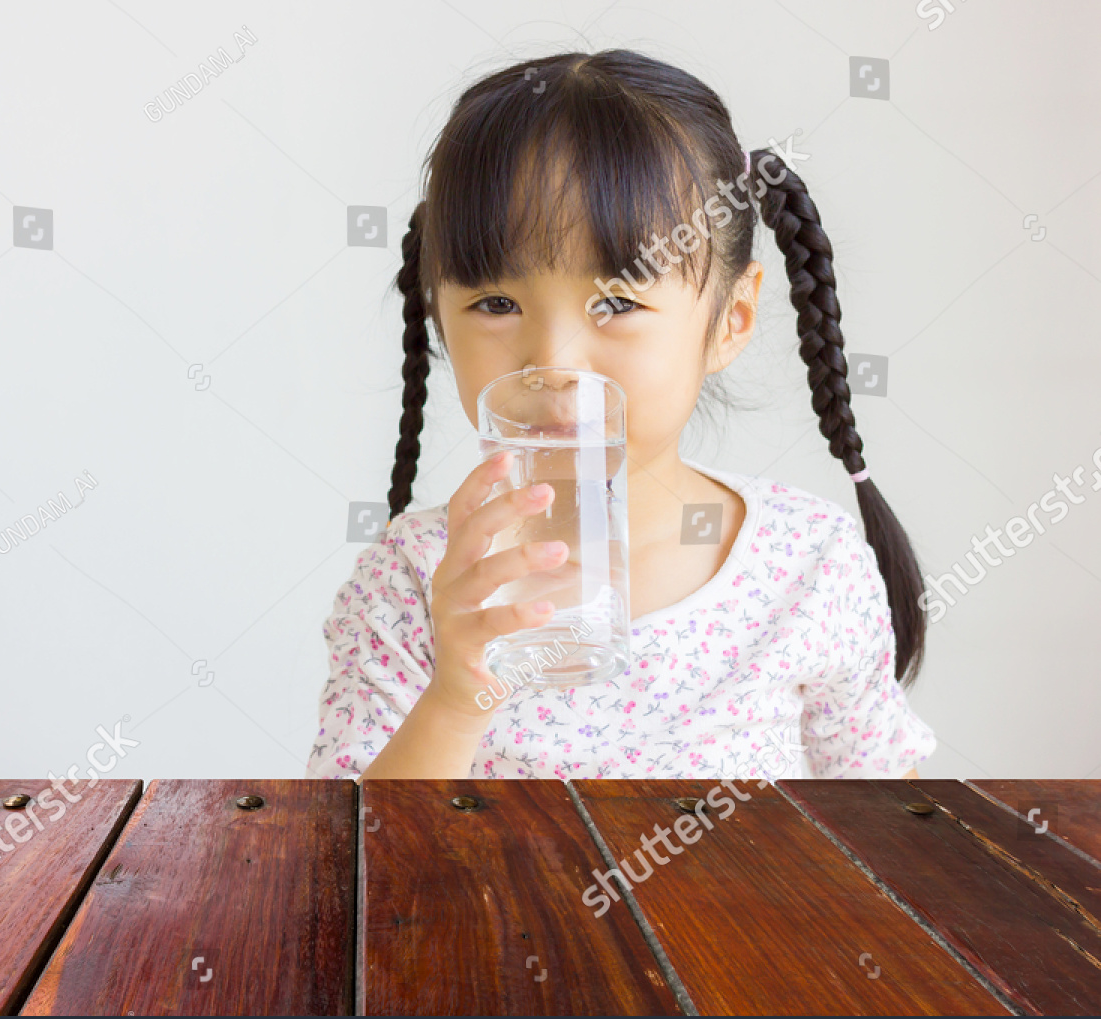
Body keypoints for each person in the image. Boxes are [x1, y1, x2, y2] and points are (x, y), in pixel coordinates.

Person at [307, 49, 935, 782]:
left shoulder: (808, 564)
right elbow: (352, 841)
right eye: (497, 303)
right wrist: (455, 700)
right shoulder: (415, 578)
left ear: (730, 320)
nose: (553, 363)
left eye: (616, 302)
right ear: (438, 317)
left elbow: (886, 817)